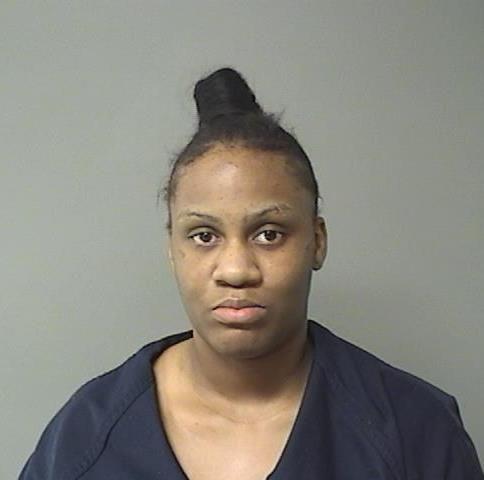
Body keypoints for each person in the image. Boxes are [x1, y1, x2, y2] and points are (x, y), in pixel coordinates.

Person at [19, 67, 483, 480]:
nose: (236, 270)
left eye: (268, 234)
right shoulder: (83, 438)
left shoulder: (416, 431)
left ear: (317, 241)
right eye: (204, 236)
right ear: (172, 249)